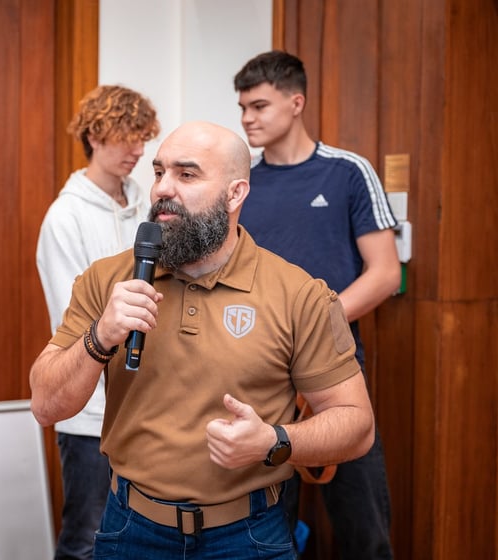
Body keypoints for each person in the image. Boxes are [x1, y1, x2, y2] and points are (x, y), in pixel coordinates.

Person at [29, 121, 376, 559]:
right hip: (130, 529)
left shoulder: (298, 294)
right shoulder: (107, 280)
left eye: (186, 174)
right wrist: (99, 337)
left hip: (248, 536)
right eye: (159, 172)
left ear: (235, 194)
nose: (162, 188)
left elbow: (356, 425)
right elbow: (46, 405)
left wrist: (274, 441)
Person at [235, 50, 400, 559]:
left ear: (296, 102)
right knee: (266, 531)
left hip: (334, 370)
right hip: (259, 371)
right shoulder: (242, 183)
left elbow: (385, 273)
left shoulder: (348, 171)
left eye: (259, 106)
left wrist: (313, 324)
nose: (247, 118)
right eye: (242, 107)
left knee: (364, 527)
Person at [35, 84, 160, 560]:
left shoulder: (148, 208)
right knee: (86, 540)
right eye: (128, 136)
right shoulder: (65, 217)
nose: (138, 149)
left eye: (143, 137)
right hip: (89, 416)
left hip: (146, 409)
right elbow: (74, 319)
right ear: (94, 135)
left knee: (139, 539)